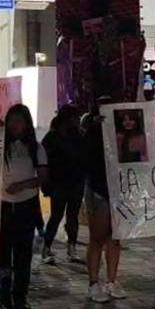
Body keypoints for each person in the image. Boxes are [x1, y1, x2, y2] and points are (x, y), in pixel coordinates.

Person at [0, 104, 47, 309]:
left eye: (19, 121)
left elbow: (43, 177)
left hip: (26, 206)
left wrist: (22, 185)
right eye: (11, 121)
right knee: (3, 253)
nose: (15, 125)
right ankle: (3, 295)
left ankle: (20, 296)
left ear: (27, 123)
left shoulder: (36, 148)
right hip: (2, 206)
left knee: (24, 254)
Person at [83, 102, 125, 303]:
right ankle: (93, 283)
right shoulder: (92, 135)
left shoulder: (123, 133)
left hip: (118, 191)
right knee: (98, 238)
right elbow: (88, 162)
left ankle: (111, 280)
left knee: (115, 239)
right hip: (99, 190)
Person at [41, 104, 86, 265]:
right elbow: (44, 161)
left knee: (72, 217)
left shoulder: (79, 136)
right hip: (59, 183)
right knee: (56, 216)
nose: (76, 121)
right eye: (74, 118)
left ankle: (71, 247)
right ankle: (47, 247)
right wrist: (46, 183)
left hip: (75, 182)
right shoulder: (52, 137)